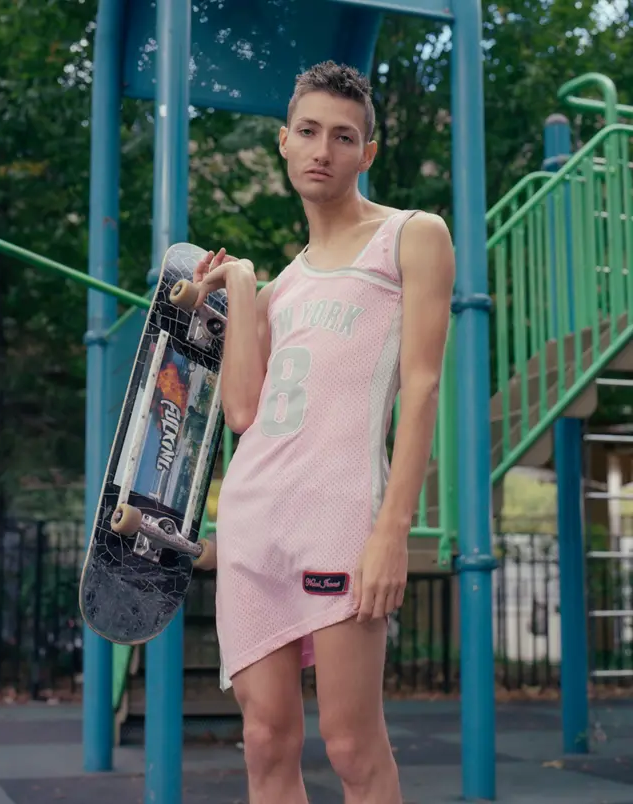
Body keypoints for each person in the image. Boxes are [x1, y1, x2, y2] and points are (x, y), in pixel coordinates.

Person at [192, 60, 455, 804]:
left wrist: (391, 530)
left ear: (367, 152)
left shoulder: (412, 237)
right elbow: (242, 412)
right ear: (283, 141)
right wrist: (243, 284)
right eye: (308, 132)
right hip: (253, 522)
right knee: (266, 743)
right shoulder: (280, 287)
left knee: (351, 746)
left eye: (344, 137)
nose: (323, 150)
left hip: (340, 521)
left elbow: (423, 385)